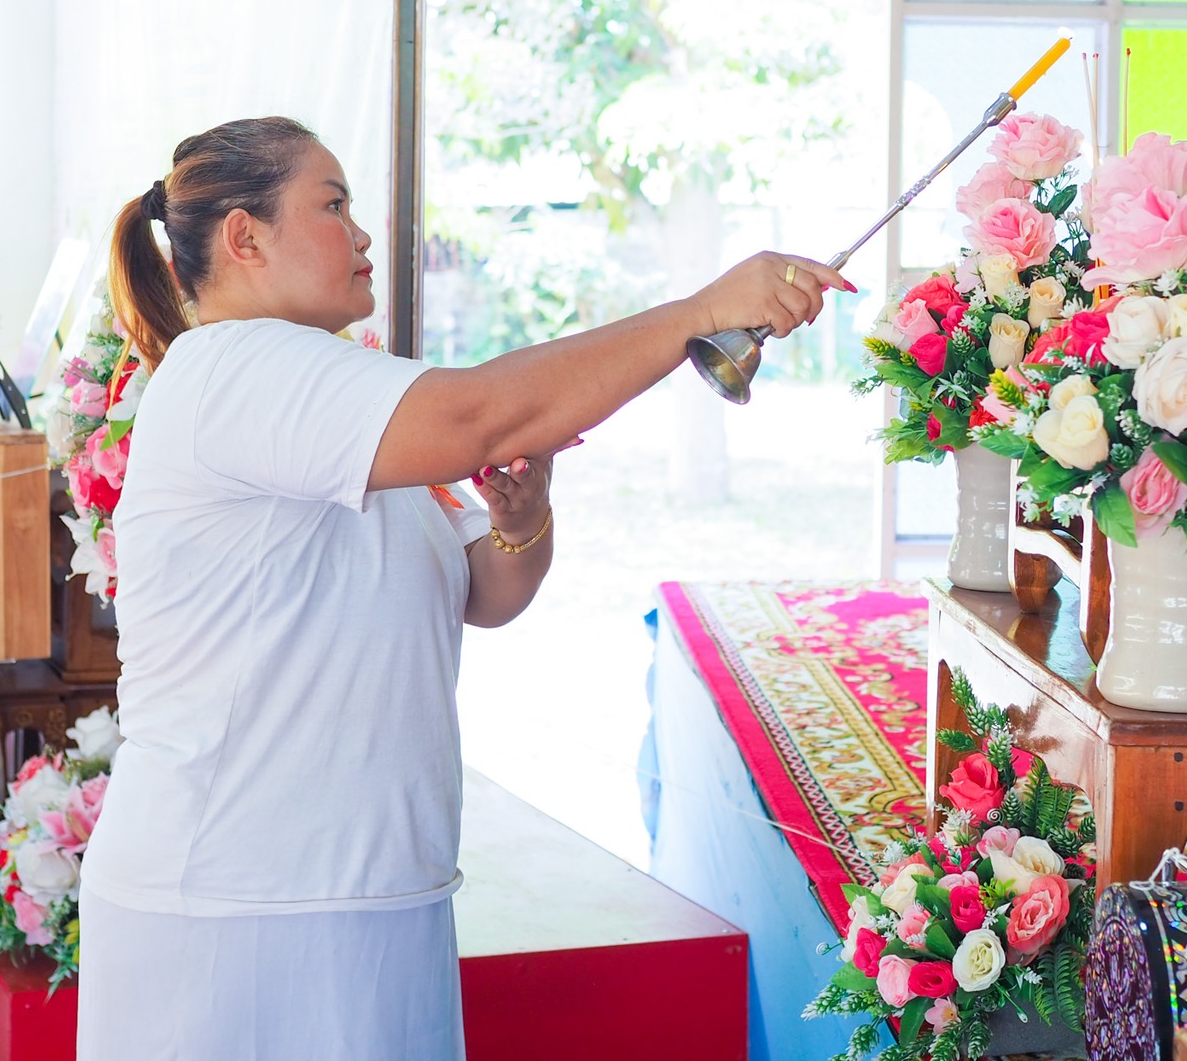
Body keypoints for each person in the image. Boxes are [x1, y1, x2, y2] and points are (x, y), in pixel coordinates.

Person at [75, 115, 846, 1060]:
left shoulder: (343, 391)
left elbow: (486, 590)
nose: (362, 233)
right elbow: (479, 416)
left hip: (366, 885)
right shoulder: (232, 367)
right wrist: (701, 309)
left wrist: (524, 517)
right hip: (239, 900)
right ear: (245, 237)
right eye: (333, 205)